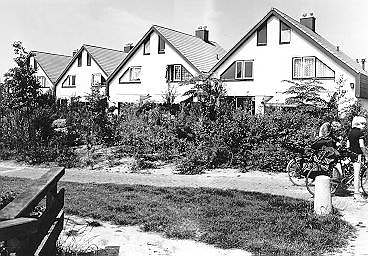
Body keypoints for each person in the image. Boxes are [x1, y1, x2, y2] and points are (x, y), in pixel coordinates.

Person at [347, 116, 368, 201]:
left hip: (351, 154)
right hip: (358, 155)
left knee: (355, 174)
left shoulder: (350, 132)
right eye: (362, 123)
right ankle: (356, 194)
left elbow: (348, 145)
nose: (364, 126)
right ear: (358, 123)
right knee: (357, 175)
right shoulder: (360, 133)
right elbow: (362, 146)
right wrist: (366, 155)